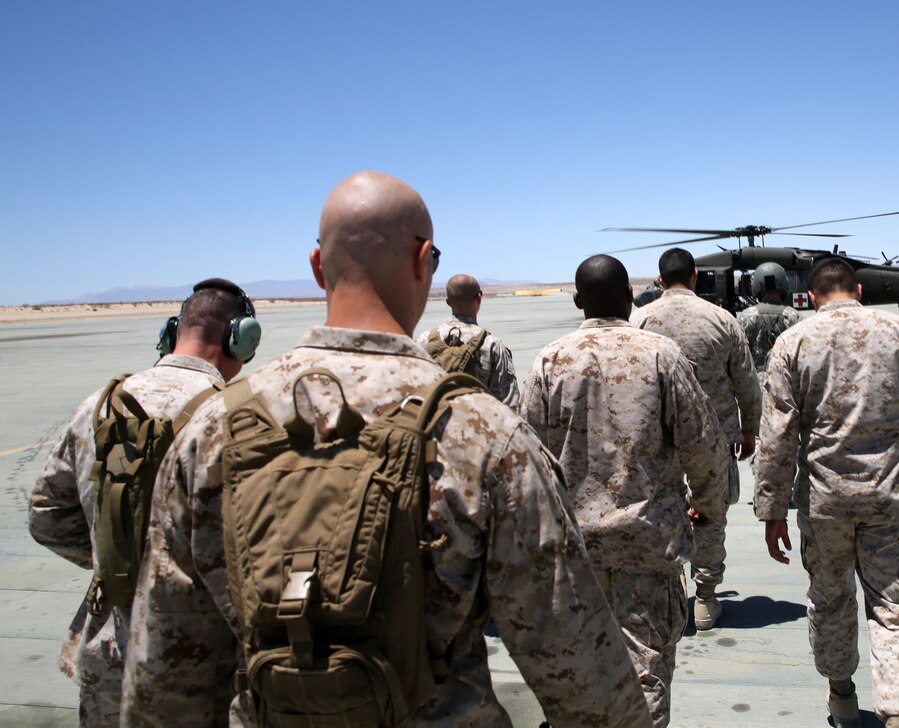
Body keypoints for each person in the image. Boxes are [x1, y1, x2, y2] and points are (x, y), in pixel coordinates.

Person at [120, 172, 651, 728]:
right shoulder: (483, 432)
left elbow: (165, 675)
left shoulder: (211, 430)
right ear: (424, 260)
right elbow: (580, 669)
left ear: (317, 266)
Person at [27, 278, 258, 727]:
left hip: (111, 654)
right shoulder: (239, 416)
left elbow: (46, 516)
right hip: (205, 664)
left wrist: (115, 559)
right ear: (242, 338)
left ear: (172, 332)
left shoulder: (102, 405)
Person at [520, 254, 729, 727]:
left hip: (575, 554)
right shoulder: (659, 354)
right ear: (630, 296)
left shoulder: (550, 361)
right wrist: (707, 506)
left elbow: (524, 458)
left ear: (577, 301)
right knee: (646, 676)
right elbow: (704, 443)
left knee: (579, 676)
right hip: (647, 547)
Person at [755, 256, 899, 728]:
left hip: (824, 504)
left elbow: (777, 435)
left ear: (814, 296)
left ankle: (842, 697)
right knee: (898, 609)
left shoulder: (793, 342)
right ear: (858, 291)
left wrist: (771, 509)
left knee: (829, 598)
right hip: (893, 499)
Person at [631, 247, 761, 631]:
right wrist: (750, 430)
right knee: (711, 514)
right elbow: (747, 384)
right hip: (713, 436)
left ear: (659, 280)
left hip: (658, 439)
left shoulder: (639, 320)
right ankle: (705, 598)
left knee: (661, 510)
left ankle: (672, 586)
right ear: (695, 277)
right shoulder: (722, 320)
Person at [416, 273, 520, 407]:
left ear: (448, 302)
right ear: (479, 298)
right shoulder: (492, 345)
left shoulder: (424, 340)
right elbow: (509, 402)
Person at [737, 261, 801, 380]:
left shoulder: (745, 316)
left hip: (755, 383)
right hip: (786, 382)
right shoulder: (793, 316)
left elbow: (738, 356)